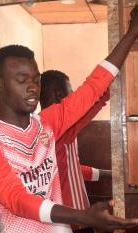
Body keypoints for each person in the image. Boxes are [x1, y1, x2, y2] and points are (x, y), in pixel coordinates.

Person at [0, 6, 138, 233]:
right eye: (22, 80)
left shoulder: (47, 124)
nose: (33, 87)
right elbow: (16, 199)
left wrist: (132, 33)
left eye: (36, 79)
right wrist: (83, 216)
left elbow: (93, 87)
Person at [40, 70, 112, 233]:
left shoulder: (57, 129)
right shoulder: (51, 128)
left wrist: (108, 174)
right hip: (72, 220)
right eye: (70, 92)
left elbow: (73, 170)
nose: (73, 96)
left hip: (75, 216)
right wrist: (105, 89)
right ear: (60, 95)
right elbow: (87, 108)